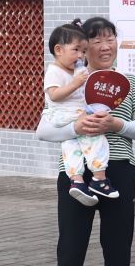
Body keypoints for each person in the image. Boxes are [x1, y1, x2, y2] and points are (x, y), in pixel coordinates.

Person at [38, 16, 135, 266]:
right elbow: (44, 130)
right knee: (70, 252)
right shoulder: (70, 82)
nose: (105, 46)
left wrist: (117, 124)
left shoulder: (128, 82)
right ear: (83, 48)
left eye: (110, 38)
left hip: (119, 171)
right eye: (97, 41)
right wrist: (76, 126)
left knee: (118, 250)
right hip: (75, 174)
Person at [42, 20, 117, 205]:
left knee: (71, 149)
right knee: (96, 138)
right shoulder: (54, 71)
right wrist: (76, 83)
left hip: (66, 118)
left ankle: (77, 181)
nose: (80, 56)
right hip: (68, 114)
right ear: (59, 50)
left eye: (83, 51)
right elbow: (54, 95)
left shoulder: (73, 70)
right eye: (76, 50)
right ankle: (99, 179)